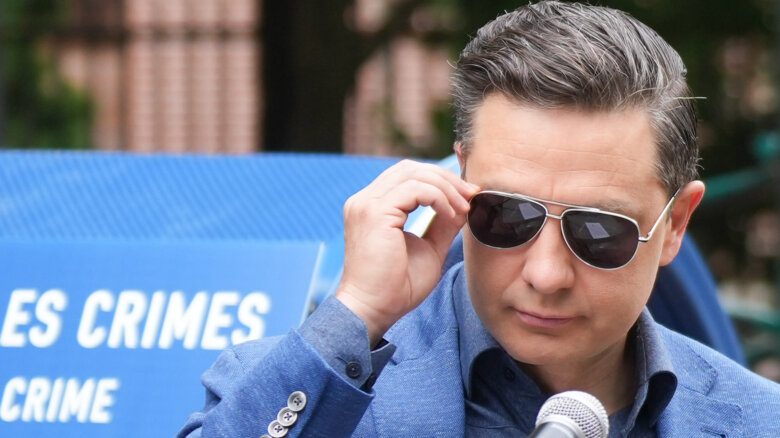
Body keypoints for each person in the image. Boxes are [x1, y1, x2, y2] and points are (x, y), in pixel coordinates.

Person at [179, 2, 780, 437]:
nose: (546, 274)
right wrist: (357, 310)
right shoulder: (304, 390)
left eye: (598, 230)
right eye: (507, 215)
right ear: (458, 179)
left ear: (675, 223)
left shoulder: (756, 420)